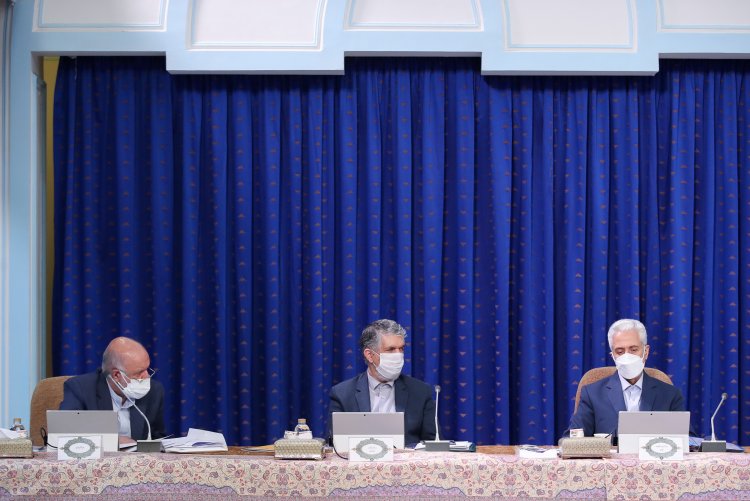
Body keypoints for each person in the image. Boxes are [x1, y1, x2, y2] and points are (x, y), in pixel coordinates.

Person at [566, 318, 685, 438]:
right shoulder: (592, 394)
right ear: (612, 355)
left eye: (633, 350)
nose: (627, 356)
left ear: (646, 352)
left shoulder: (670, 395)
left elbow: (688, 440)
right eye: (620, 351)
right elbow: (571, 438)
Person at [329, 319, 437, 446]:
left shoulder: (420, 392)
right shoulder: (342, 394)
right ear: (370, 355)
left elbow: (433, 444)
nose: (398, 355)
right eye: (391, 349)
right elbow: (334, 445)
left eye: (401, 348)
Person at [60, 336, 166, 441]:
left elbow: (158, 437)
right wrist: (113, 441)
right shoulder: (80, 388)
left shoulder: (154, 391)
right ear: (116, 375)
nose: (147, 376)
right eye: (139, 372)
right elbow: (66, 432)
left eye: (147, 369)